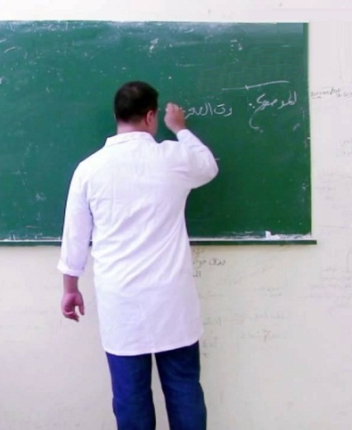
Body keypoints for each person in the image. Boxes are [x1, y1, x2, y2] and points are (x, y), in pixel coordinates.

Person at [57, 81, 218, 430]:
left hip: (122, 301)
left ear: (117, 116)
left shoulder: (90, 168)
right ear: (150, 116)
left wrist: (70, 288)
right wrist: (181, 129)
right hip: (172, 299)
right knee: (184, 387)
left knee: (130, 396)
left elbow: (75, 236)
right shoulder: (172, 157)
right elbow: (208, 166)